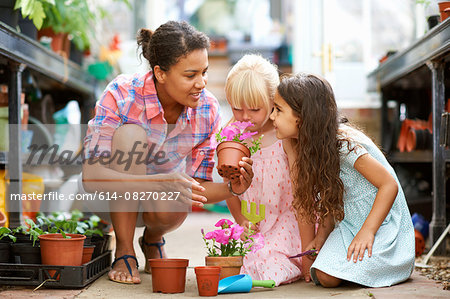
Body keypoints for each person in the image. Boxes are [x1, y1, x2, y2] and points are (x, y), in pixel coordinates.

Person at [82, 21, 254, 284]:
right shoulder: (122, 94)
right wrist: (158, 182)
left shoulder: (206, 109)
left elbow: (197, 185)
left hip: (159, 206)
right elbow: (91, 177)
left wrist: (233, 188)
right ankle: (125, 250)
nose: (201, 83)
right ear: (161, 73)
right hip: (108, 198)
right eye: (190, 75)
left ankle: (152, 239)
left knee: (179, 188)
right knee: (130, 135)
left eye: (204, 72)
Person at [269, 73, 415, 288]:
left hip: (380, 223)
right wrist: (322, 236)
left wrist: (368, 231)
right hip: (348, 225)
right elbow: (331, 197)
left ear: (302, 117)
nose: (272, 116)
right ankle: (353, 265)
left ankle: (386, 261)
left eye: (278, 110)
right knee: (324, 276)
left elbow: (389, 185)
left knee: (336, 272)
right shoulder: (307, 147)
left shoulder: (343, 145)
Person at [223, 54, 302, 286]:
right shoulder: (234, 137)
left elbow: (301, 190)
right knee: (239, 262)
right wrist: (242, 222)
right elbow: (229, 187)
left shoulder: (283, 134)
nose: (245, 117)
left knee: (268, 265)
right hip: (254, 223)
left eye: (255, 109)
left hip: (288, 220)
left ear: (273, 101)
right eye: (236, 109)